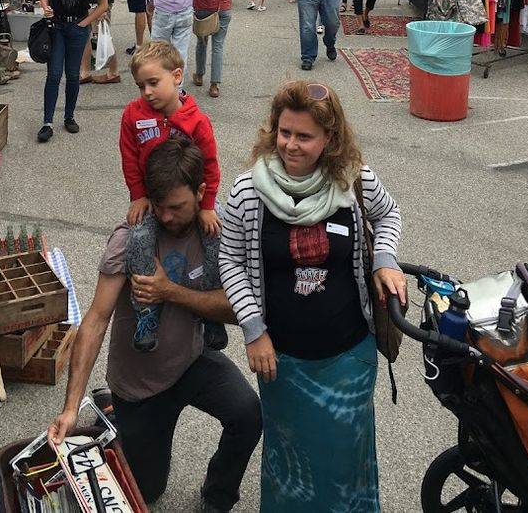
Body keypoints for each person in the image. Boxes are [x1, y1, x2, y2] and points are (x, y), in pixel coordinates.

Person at [219, 80, 405, 513]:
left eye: (304, 136)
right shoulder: (248, 190)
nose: (291, 145)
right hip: (281, 363)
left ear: (329, 139)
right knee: (291, 470)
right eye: (284, 132)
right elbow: (229, 259)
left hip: (348, 361)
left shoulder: (353, 181)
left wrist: (384, 258)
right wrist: (253, 330)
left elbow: (389, 214)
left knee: (345, 465)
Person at [49, 139, 262, 512]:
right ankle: (111, 410)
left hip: (190, 361)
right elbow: (96, 320)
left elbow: (237, 308)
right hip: (140, 385)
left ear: (201, 193)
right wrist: (69, 408)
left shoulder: (216, 232)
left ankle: (218, 497)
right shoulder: (128, 240)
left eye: (176, 207)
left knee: (248, 414)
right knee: (148, 491)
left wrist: (169, 291)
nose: (165, 217)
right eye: (159, 206)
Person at [120, 44, 224, 348]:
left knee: (217, 238)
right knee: (138, 239)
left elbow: (210, 165)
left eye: (153, 83)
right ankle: (146, 313)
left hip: (193, 198)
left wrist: (207, 205)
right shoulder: (133, 115)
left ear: (177, 76)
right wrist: (139, 195)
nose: (147, 92)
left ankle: (211, 312)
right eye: (141, 86)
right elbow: (129, 158)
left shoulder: (197, 121)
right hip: (152, 199)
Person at [37, 0, 108, 142]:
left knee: (73, 75)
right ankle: (47, 122)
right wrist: (46, 8)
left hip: (77, 28)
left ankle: (69, 116)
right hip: (57, 27)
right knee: (53, 74)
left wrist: (85, 23)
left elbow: (103, 4)